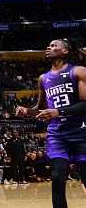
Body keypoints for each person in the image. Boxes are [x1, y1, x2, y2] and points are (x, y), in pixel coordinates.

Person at [17, 37, 86, 208]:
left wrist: (59, 111)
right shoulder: (43, 78)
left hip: (81, 131)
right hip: (57, 134)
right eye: (48, 45)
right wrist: (26, 111)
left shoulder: (78, 71)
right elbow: (41, 109)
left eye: (54, 45)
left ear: (65, 51)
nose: (49, 47)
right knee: (56, 177)